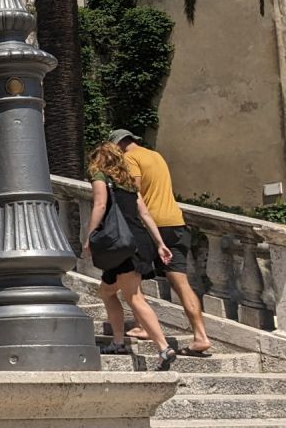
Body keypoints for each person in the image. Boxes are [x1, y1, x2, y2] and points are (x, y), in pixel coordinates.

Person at [113, 128, 212, 356]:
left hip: (152, 225)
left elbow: (134, 189)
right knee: (182, 283)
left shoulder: (130, 158)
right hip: (175, 222)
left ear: (119, 145)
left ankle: (142, 326)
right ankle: (200, 336)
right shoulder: (156, 156)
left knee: (135, 276)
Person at [87, 140, 177, 370]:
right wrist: (159, 243)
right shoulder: (128, 183)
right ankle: (118, 341)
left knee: (134, 297)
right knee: (106, 291)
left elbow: (99, 205)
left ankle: (163, 347)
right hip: (137, 241)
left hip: (121, 245)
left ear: (100, 159)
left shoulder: (101, 177)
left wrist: (88, 237)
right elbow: (145, 214)